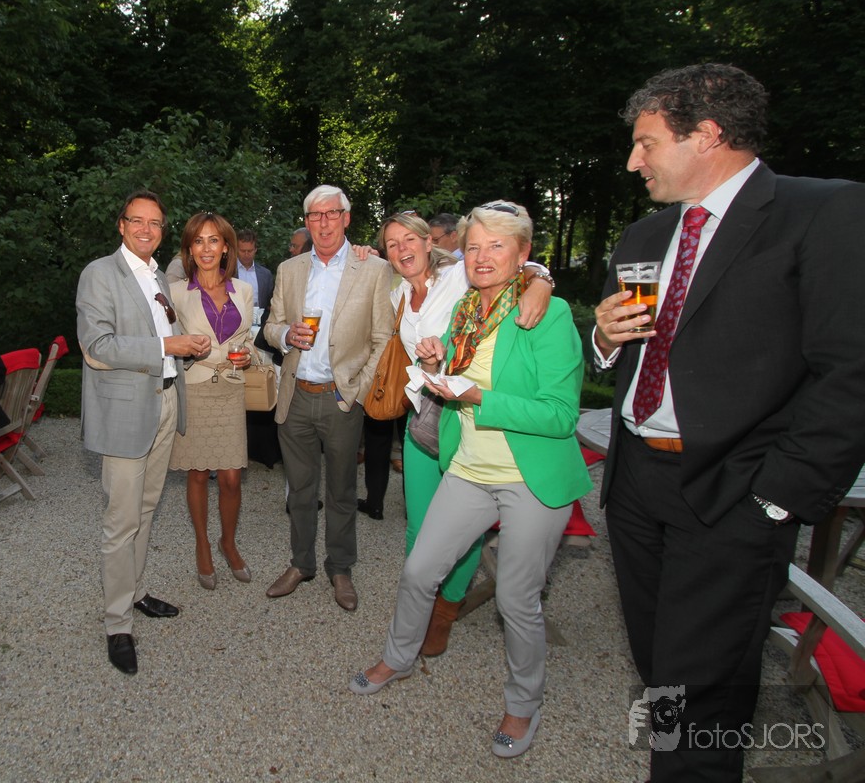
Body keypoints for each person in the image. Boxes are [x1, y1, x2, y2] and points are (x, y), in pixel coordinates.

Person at [593, 63, 865, 782]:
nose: (634, 161)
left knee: (705, 687)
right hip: (636, 484)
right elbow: (628, 348)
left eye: (647, 143)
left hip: (734, 492)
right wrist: (604, 339)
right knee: (663, 666)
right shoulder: (645, 234)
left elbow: (851, 371)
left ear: (707, 135)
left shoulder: (821, 212)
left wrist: (777, 500)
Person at [349, 202, 590, 762]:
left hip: (530, 476)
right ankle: (399, 658)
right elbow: (456, 378)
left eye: (496, 246)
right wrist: (438, 364)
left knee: (516, 598)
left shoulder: (546, 313)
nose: (481, 257)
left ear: (523, 254)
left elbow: (561, 415)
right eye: (474, 246)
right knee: (418, 571)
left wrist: (481, 397)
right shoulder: (463, 310)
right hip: (468, 469)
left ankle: (523, 703)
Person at [366, 210, 554, 653]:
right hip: (421, 416)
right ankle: (419, 606)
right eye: (391, 244)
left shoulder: (458, 278)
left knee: (466, 527)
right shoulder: (396, 295)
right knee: (419, 524)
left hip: (464, 416)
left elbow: (510, 260)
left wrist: (542, 279)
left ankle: (446, 611)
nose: (402, 249)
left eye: (409, 239)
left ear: (428, 242)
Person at [77, 190, 210, 674]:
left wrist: (184, 348)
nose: (146, 230)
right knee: (120, 521)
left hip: (166, 401)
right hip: (126, 413)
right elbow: (98, 345)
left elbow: (162, 337)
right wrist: (168, 346)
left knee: (147, 509)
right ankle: (117, 624)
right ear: (121, 225)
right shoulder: (100, 274)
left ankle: (133, 592)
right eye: (137, 221)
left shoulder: (157, 275)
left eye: (155, 223)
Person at [262, 185, 392, 611]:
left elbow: (383, 337)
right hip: (296, 395)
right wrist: (286, 334)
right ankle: (301, 563)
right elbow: (271, 326)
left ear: (346, 218)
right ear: (307, 221)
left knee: (341, 490)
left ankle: (340, 568)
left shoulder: (373, 269)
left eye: (331, 214)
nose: (323, 223)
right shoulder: (290, 269)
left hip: (341, 399)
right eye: (315, 216)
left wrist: (357, 389)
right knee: (299, 491)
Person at [168, 212, 254, 590]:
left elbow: (247, 338)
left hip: (230, 388)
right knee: (199, 473)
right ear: (189, 249)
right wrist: (185, 349)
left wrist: (248, 355)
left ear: (225, 248)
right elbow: (167, 344)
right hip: (196, 387)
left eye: (213, 240)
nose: (206, 248)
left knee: (232, 478)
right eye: (198, 241)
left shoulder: (244, 290)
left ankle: (228, 542)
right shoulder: (175, 293)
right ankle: (202, 544)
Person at [235, 228, 274, 313]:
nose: (246, 254)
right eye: (242, 251)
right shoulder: (227, 272)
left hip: (260, 319)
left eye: (250, 251)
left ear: (255, 249)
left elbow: (271, 302)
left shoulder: (266, 274)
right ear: (236, 249)